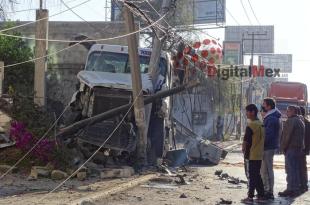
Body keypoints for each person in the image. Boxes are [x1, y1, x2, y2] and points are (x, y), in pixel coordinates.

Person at [241, 104, 266, 203]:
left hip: (252, 154)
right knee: (257, 175)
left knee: (252, 176)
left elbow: (246, 141)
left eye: (247, 112)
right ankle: (261, 195)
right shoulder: (260, 124)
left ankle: (250, 197)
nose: (246, 114)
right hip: (259, 154)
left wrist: (244, 151)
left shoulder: (251, 125)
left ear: (252, 112)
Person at [279, 106, 305, 197]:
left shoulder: (291, 121)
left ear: (293, 111)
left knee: (290, 169)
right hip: (298, 148)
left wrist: (283, 147)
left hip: (291, 148)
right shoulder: (300, 121)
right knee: (295, 169)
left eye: (288, 111)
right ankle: (294, 189)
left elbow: (287, 136)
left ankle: (291, 189)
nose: (286, 112)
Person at [260, 98, 282, 199]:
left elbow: (268, 135)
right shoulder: (271, 116)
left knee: (267, 170)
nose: (262, 106)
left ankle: (269, 192)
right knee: (264, 170)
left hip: (268, 147)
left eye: (264, 104)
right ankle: (266, 190)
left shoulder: (272, 118)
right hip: (268, 147)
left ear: (269, 106)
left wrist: (261, 144)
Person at [300, 106, 310, 192]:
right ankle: (304, 183)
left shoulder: (302, 122)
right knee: (303, 166)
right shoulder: (307, 122)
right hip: (305, 148)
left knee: (301, 166)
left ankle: (303, 184)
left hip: (301, 148)